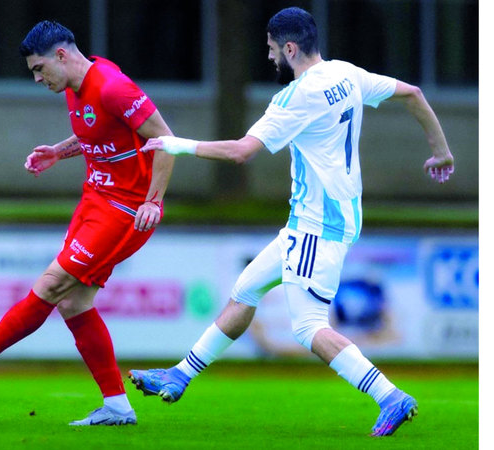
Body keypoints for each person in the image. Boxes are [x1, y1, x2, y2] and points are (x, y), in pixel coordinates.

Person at [128, 6, 454, 437]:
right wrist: (441, 151)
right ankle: (180, 375)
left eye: (271, 49)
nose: (269, 57)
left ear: (290, 48)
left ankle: (390, 396)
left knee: (307, 326)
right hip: (327, 217)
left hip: (318, 225)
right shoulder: (346, 73)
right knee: (246, 290)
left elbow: (241, 151)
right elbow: (412, 92)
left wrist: (177, 145)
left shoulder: (295, 98)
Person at [0, 20, 176, 426]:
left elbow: (165, 140)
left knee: (51, 286)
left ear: (61, 56)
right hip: (94, 200)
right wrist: (57, 152)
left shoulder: (113, 86)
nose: (37, 78)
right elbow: (98, 133)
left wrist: (154, 200)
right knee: (73, 302)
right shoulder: (72, 86)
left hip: (126, 211)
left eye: (39, 68)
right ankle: (117, 407)